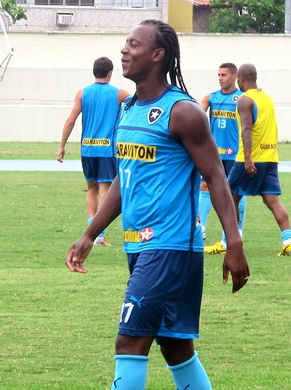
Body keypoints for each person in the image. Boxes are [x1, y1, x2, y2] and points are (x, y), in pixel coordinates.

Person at [64, 20, 250, 389]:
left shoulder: (182, 112)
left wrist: (234, 241)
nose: (124, 51)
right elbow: (124, 179)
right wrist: (90, 233)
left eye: (133, 44)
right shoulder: (130, 108)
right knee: (175, 346)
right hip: (140, 245)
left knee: (129, 340)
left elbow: (215, 177)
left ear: (157, 54)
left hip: (170, 246)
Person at [57, 56, 130, 246]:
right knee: (105, 189)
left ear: (94, 72)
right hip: (106, 149)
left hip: (87, 148)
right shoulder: (118, 93)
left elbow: (71, 120)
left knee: (91, 188)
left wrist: (62, 146)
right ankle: (100, 233)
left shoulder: (82, 93)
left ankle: (93, 228)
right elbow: (139, 102)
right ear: (110, 73)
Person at [228, 63, 291, 256]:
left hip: (250, 158)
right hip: (270, 157)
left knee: (229, 197)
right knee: (272, 200)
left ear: (241, 78)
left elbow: (247, 129)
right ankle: (288, 241)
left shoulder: (245, 100)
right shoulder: (267, 98)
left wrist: (248, 159)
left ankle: (232, 241)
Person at [199, 63, 247, 253]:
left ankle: (235, 234)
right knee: (203, 186)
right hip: (214, 154)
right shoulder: (211, 98)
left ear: (234, 76)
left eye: (224, 75)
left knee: (235, 192)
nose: (220, 78)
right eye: (218, 74)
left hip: (235, 155)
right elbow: (197, 113)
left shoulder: (242, 99)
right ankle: (200, 230)